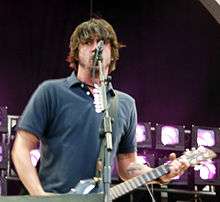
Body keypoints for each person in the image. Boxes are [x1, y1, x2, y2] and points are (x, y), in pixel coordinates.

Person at [11, 18, 189, 196]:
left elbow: (127, 166)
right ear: (76, 51)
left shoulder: (125, 104)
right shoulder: (51, 92)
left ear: (112, 53)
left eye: (103, 43)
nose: (96, 47)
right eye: (88, 42)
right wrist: (40, 196)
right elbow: (21, 148)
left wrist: (160, 175)